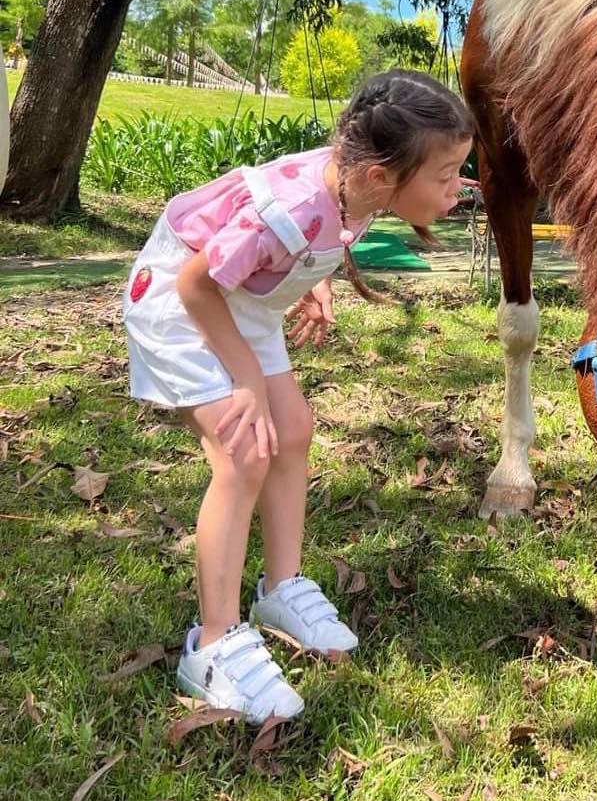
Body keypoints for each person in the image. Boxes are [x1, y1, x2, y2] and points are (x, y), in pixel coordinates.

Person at [123, 69, 474, 723]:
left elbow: (319, 238)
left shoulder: (355, 189)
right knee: (244, 452)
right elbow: (199, 282)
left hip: (242, 301)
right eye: (447, 173)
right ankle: (215, 643)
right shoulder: (288, 209)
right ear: (380, 176)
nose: (456, 189)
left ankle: (280, 587)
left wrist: (315, 283)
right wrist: (246, 379)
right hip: (180, 298)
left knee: (294, 429)